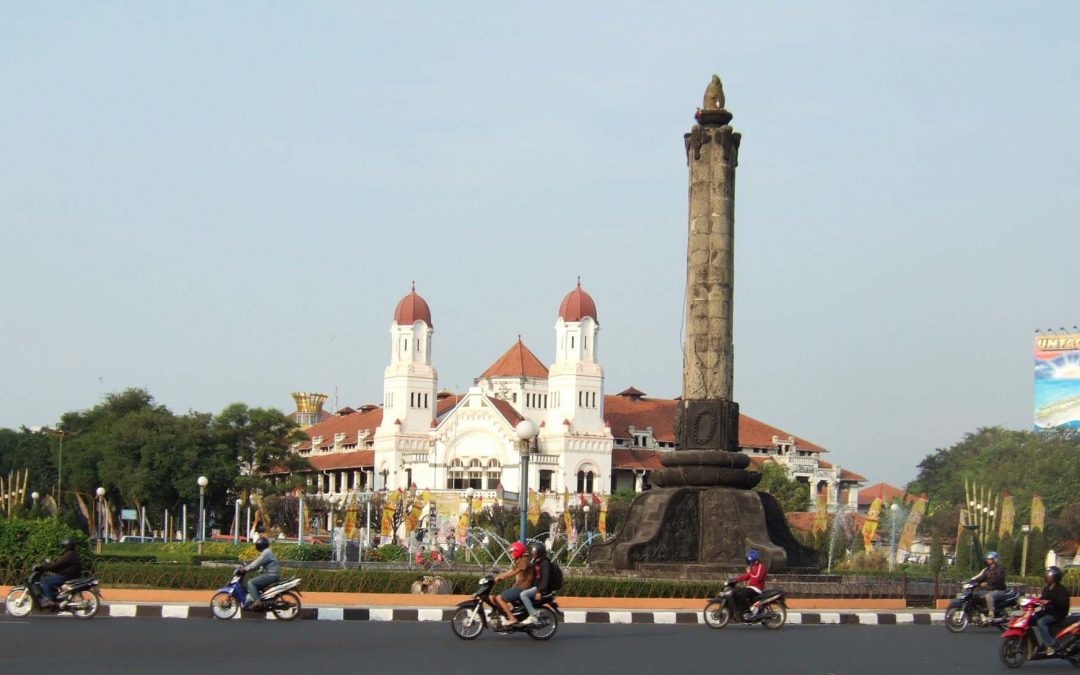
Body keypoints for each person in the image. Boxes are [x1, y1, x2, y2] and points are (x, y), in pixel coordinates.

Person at [492, 541, 533, 625]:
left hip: (523, 587)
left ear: (517, 551)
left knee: (499, 598)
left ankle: (512, 618)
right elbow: (511, 570)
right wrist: (499, 576)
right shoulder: (519, 561)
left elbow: (514, 572)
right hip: (518, 586)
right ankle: (510, 612)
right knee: (502, 598)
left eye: (512, 552)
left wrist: (502, 577)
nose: (511, 554)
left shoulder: (524, 560)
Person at [35, 538, 82, 608]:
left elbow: (56, 565)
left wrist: (42, 567)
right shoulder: (72, 554)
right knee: (52, 581)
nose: (63, 548)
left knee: (44, 581)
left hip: (66, 576)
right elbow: (59, 566)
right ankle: (57, 598)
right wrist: (51, 567)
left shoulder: (69, 555)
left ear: (67, 546)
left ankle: (51, 601)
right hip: (70, 575)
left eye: (64, 546)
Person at [1034, 566, 1070, 655]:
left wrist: (1050, 602)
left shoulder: (1062, 590)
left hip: (1057, 614)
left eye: (1049, 575)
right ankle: (1038, 642)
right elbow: (1041, 600)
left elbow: (1063, 604)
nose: (1046, 577)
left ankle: (1050, 645)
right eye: (1046, 575)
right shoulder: (1046, 589)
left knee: (1041, 622)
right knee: (1032, 618)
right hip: (1048, 612)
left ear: (1055, 577)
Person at [519, 541, 552, 626]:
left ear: (539, 552)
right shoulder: (536, 562)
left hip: (539, 588)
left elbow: (545, 578)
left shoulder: (545, 563)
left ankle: (533, 615)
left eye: (535, 552)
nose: (533, 554)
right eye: (533, 552)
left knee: (524, 595)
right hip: (535, 586)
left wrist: (539, 591)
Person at [243, 537, 280, 608]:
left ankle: (257, 601)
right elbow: (259, 565)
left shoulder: (266, 553)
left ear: (260, 545)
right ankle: (260, 600)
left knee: (251, 582)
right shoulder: (267, 552)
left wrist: (245, 569)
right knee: (256, 581)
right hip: (271, 574)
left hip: (271, 575)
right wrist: (249, 569)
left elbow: (256, 563)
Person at [733, 549, 767, 619]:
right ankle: (742, 611)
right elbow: (747, 576)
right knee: (736, 592)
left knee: (740, 594)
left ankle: (749, 611)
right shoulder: (754, 567)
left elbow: (757, 578)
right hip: (751, 587)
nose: (747, 562)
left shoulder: (760, 567)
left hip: (757, 588)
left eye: (748, 560)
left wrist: (749, 572)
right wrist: (735, 580)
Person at [971, 551, 1007, 616]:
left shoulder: (1000, 569)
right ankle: (981, 611)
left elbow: (997, 580)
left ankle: (991, 612)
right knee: (976, 594)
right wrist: (971, 582)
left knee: (989, 596)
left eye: (989, 559)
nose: (987, 560)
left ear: (995, 560)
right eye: (987, 559)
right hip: (990, 589)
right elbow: (981, 577)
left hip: (999, 590)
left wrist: (987, 583)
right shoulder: (987, 570)